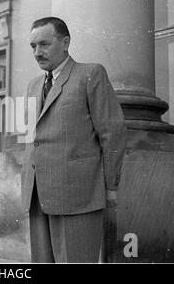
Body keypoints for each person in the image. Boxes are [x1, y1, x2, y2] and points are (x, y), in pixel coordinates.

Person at [22, 17, 127, 263]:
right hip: (37, 192)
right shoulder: (34, 85)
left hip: (78, 194)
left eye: (44, 44)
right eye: (33, 46)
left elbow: (112, 132)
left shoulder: (90, 74)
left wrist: (111, 186)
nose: (37, 52)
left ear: (65, 42)